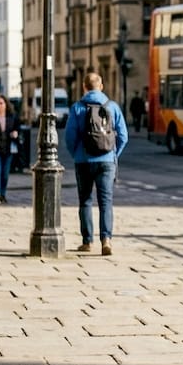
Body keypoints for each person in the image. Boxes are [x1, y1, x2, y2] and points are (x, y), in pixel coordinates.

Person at [64, 73, 129, 255]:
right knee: (106, 201)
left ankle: (87, 241)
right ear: (101, 86)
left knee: (85, 200)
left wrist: (77, 154)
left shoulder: (77, 108)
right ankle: (106, 240)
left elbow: (69, 137)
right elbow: (123, 136)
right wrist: (113, 154)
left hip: (83, 160)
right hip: (106, 160)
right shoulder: (113, 107)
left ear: (84, 87)